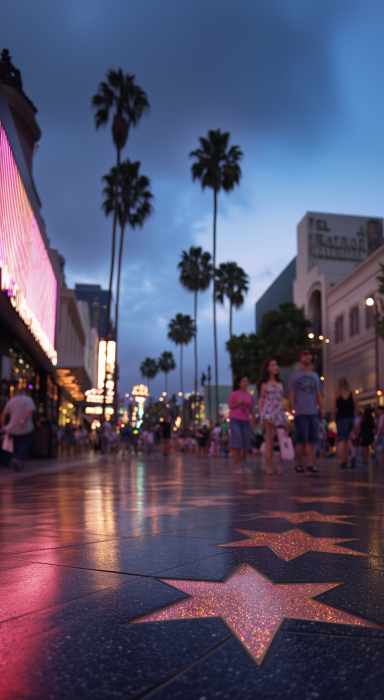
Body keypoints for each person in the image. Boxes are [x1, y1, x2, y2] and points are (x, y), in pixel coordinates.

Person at [288, 348, 324, 474]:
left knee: (312, 440)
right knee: (301, 440)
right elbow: (291, 395)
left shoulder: (315, 376)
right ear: (300, 358)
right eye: (305, 354)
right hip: (300, 412)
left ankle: (310, 465)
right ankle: (299, 465)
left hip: (313, 412)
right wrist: (293, 410)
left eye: (309, 354)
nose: (308, 356)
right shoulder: (295, 376)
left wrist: (322, 408)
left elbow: (318, 394)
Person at [257, 359, 288, 475]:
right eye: (273, 365)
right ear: (268, 368)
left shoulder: (280, 384)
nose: (276, 367)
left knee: (281, 439)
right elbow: (261, 400)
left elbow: (282, 401)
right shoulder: (264, 385)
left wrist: (290, 412)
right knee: (269, 439)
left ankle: (279, 465)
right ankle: (269, 465)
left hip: (279, 412)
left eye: (276, 365)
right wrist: (261, 415)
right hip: (268, 412)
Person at [0, 388, 36, 471]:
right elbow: (29, 411)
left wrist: (3, 426)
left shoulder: (11, 401)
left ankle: (20, 462)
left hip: (12, 428)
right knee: (25, 444)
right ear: (24, 392)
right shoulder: (28, 399)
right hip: (25, 427)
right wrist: (23, 420)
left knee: (16, 445)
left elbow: (3, 414)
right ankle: (18, 459)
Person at [228, 375, 255, 474]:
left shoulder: (250, 396)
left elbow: (252, 410)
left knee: (246, 443)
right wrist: (238, 403)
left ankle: (244, 465)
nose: (246, 383)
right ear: (239, 383)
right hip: (235, 420)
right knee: (237, 441)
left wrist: (254, 423)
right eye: (244, 381)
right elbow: (230, 406)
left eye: (247, 381)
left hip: (246, 421)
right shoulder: (234, 394)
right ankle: (236, 465)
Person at [332, 377, 359, 469]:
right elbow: (357, 409)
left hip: (341, 419)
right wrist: (356, 421)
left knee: (342, 440)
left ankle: (343, 461)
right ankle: (349, 458)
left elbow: (334, 411)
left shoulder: (336, 397)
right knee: (349, 440)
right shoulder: (353, 395)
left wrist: (335, 420)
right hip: (351, 419)